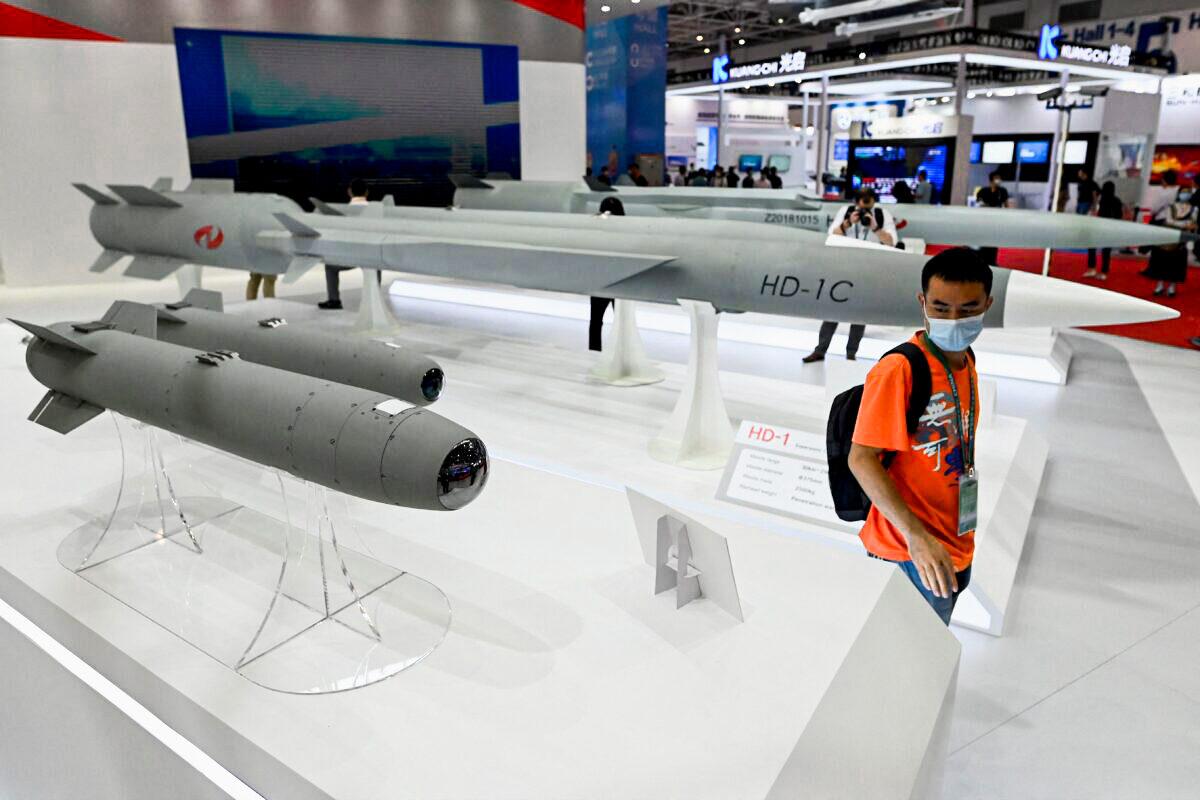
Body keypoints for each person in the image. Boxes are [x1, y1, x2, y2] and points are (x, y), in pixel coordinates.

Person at [849, 247, 993, 625]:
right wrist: (917, 537)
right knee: (904, 660)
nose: (954, 320)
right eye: (941, 308)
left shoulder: (966, 360)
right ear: (922, 302)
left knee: (930, 649)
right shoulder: (899, 370)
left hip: (956, 541)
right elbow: (861, 458)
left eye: (968, 309)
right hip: (908, 551)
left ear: (987, 305)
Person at [804, 188, 898, 363]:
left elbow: (891, 242)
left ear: (873, 202)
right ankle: (820, 350)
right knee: (832, 310)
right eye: (862, 203)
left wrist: (875, 227)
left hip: (869, 269)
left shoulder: (882, 215)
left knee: (859, 314)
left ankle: (851, 354)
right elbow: (831, 236)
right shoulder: (846, 212)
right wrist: (847, 223)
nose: (864, 208)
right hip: (843, 266)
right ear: (856, 202)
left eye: (868, 203)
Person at [319, 179, 375, 310]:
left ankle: (334, 300)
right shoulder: (374, 210)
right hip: (372, 255)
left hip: (352, 256)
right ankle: (373, 299)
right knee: (376, 267)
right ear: (367, 192)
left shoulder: (345, 211)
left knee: (330, 267)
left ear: (349, 192)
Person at [1143, 174, 1196, 298]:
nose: (1185, 194)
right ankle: (1160, 284)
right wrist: (1184, 225)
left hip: (1181, 241)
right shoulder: (1172, 207)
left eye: (1187, 192)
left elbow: (1192, 224)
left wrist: (1184, 225)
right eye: (1183, 192)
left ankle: (1172, 286)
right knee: (1163, 261)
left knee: (1176, 264)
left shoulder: (1193, 209)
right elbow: (1169, 220)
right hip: (1167, 238)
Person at [589, 197, 624, 350]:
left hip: (600, 279)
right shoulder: (626, 230)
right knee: (622, 321)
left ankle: (595, 351)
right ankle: (621, 351)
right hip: (621, 280)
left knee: (596, 321)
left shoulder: (596, 229)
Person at [1083, 182, 1124, 280]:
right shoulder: (1114, 200)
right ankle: (1102, 272)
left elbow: (1096, 212)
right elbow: (1119, 216)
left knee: (1097, 248)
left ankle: (1094, 269)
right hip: (1108, 228)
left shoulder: (1103, 199)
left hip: (1102, 227)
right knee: (1105, 250)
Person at [974, 171, 1009, 265]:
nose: (998, 180)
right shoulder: (983, 191)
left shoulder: (1002, 191)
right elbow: (979, 204)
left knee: (994, 241)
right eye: (996, 178)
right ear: (991, 180)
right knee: (983, 239)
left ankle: (992, 261)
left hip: (997, 220)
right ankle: (981, 259)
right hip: (984, 219)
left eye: (999, 178)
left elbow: (1006, 205)